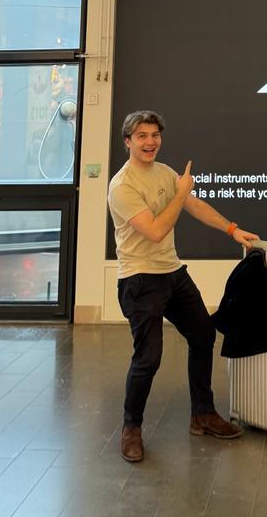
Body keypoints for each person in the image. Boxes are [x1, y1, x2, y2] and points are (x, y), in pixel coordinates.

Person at [108, 109, 259, 462]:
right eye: (142, 136)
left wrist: (232, 229)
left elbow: (193, 205)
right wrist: (181, 193)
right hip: (139, 279)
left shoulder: (164, 172)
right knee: (148, 358)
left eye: (154, 135)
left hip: (172, 273)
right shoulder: (122, 186)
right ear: (128, 141)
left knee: (203, 335)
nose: (150, 142)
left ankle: (202, 414)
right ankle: (131, 428)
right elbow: (156, 230)